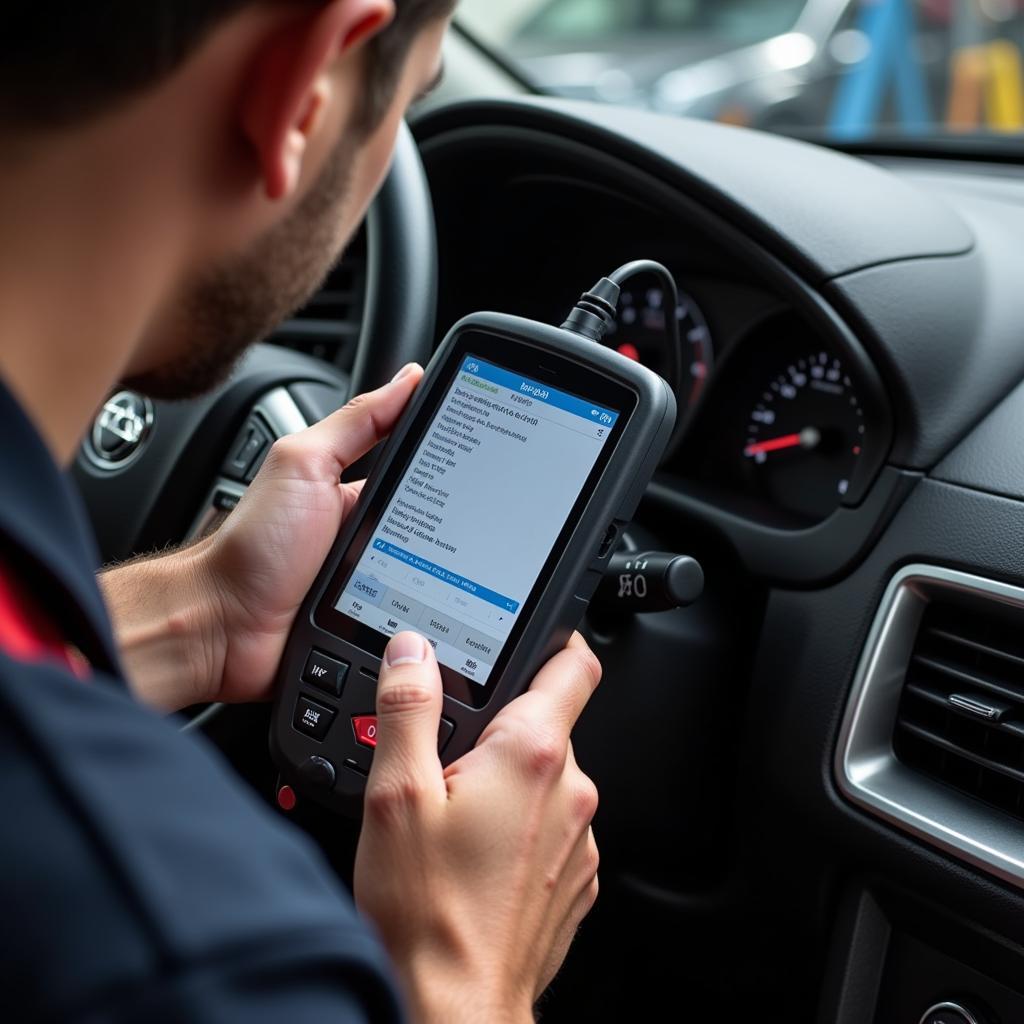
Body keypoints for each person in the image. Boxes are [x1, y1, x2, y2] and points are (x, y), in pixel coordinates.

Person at [0, 2, 603, 1021]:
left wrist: (200, 614)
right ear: (304, 84)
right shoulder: (192, 955)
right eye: (409, 101)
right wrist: (463, 975)